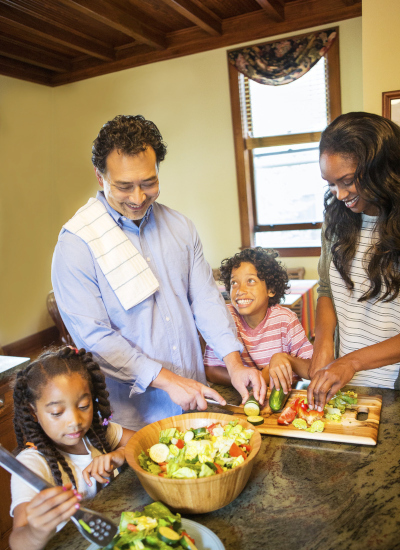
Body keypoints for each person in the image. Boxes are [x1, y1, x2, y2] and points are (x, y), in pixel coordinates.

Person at [52, 115, 266, 431]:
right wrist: (166, 381)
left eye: (149, 183)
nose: (138, 198)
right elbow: (95, 338)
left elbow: (205, 300)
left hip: (195, 402)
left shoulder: (181, 227)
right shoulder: (77, 244)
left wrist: (234, 361)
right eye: (124, 186)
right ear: (100, 177)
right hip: (132, 421)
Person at [307, 112, 400, 411]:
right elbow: (327, 291)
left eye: (347, 180)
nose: (340, 194)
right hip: (347, 387)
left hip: (391, 391)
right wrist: (323, 345)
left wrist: (352, 362)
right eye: (331, 183)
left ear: (379, 167)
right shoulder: (335, 221)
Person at [9, 346, 135, 550]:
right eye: (57, 412)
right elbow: (19, 547)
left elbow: (146, 439)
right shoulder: (31, 463)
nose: (75, 421)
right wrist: (36, 531)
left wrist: (121, 454)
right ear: (33, 411)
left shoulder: (98, 433)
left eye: (84, 406)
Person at [204, 248, 313, 394]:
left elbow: (312, 368)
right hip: (243, 397)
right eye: (234, 283)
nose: (240, 290)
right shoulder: (225, 318)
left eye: (250, 281)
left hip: (284, 398)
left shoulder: (286, 320)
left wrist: (288, 359)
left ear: (271, 289)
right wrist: (254, 380)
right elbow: (210, 370)